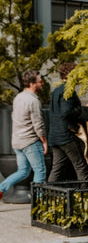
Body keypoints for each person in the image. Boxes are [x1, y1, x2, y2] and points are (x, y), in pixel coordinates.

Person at [0, 71, 47, 202]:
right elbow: (38, 124)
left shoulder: (18, 97)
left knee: (23, 171)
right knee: (40, 170)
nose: (41, 83)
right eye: (40, 81)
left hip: (17, 142)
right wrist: (44, 141)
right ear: (32, 84)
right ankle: (38, 203)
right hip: (30, 141)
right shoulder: (33, 100)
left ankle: (0, 189)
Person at [47, 63, 88, 182]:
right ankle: (84, 197)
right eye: (78, 74)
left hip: (55, 136)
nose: (79, 77)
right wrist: (83, 109)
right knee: (81, 166)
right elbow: (67, 112)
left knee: (57, 169)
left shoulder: (56, 90)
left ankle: (46, 196)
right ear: (72, 75)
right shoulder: (68, 90)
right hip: (66, 136)